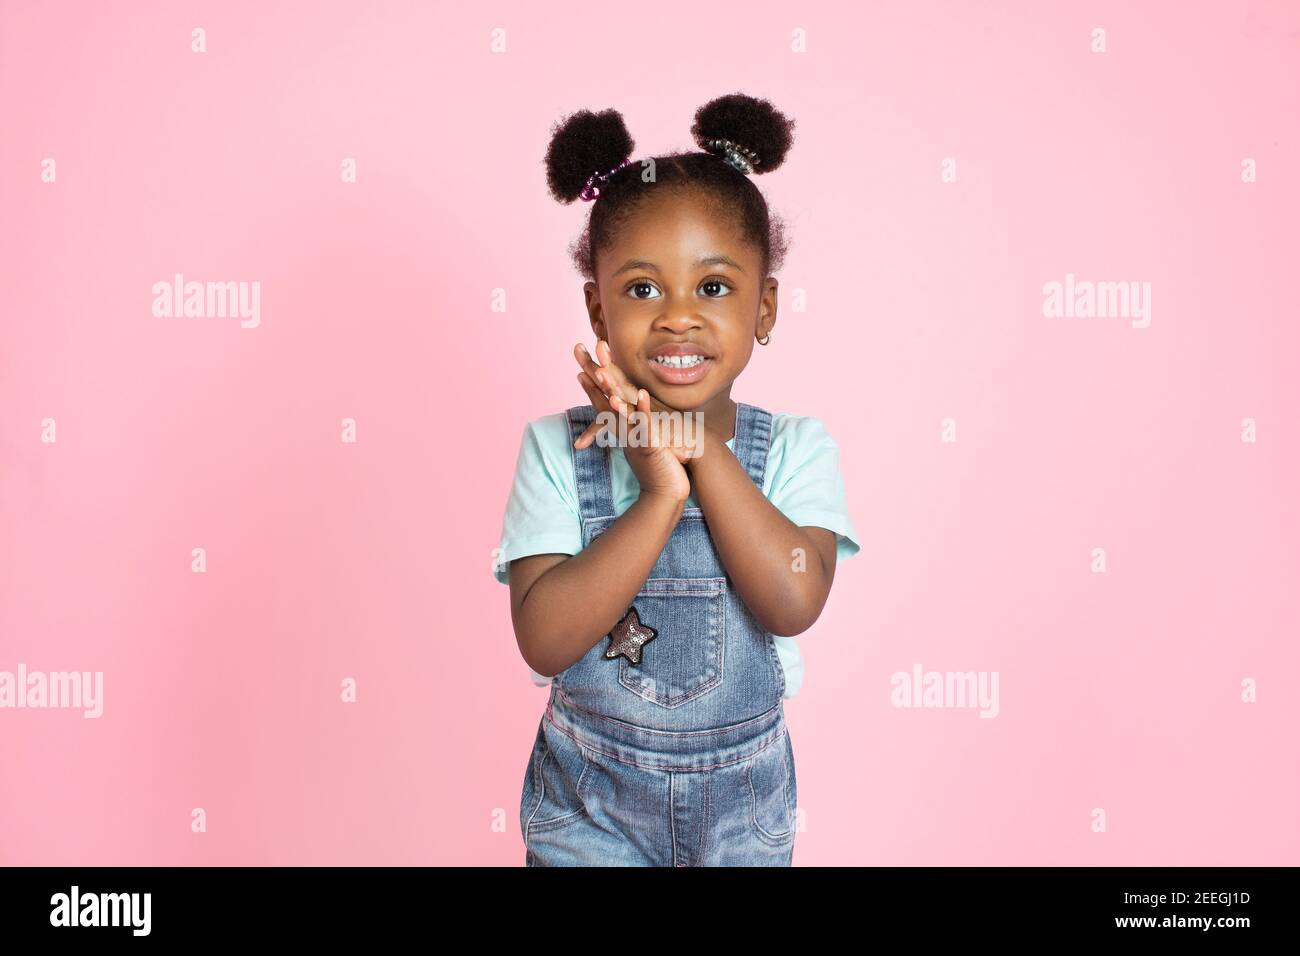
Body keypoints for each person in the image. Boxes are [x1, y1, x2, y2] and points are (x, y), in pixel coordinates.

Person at [494, 92, 860, 866]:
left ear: (764, 308)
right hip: (588, 816)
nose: (678, 317)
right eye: (641, 289)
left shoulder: (797, 449)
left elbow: (794, 601)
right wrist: (660, 493)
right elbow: (545, 640)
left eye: (715, 288)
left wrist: (699, 452)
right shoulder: (555, 450)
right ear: (599, 311)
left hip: (743, 826)